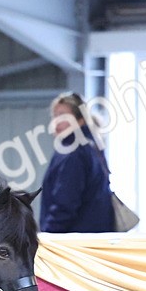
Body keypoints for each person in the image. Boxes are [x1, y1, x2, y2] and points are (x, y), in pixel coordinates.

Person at [38, 92, 116, 233]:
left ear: (80, 120)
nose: (56, 122)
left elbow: (65, 204)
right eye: (54, 116)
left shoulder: (73, 152)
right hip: (94, 236)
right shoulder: (93, 146)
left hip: (74, 241)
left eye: (63, 116)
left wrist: (47, 236)